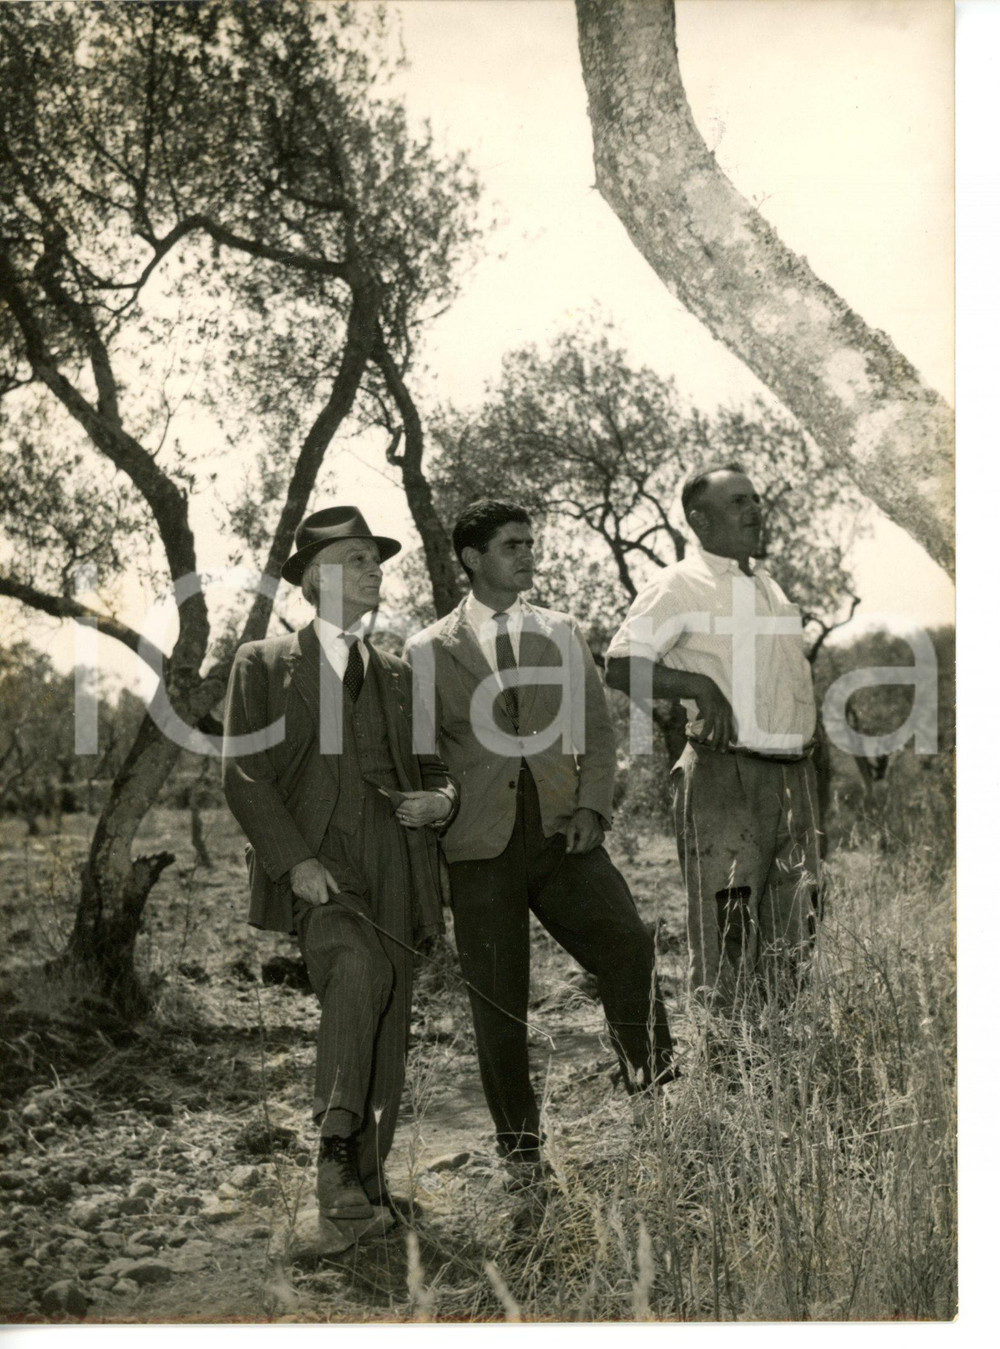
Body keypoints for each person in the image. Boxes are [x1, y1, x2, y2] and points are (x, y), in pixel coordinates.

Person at [404, 499, 675, 1183]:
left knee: (629, 945)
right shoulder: (427, 648)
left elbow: (601, 734)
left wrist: (593, 807)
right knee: (497, 997)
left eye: (530, 543)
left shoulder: (561, 631)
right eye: (511, 545)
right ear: (471, 557)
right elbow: (424, 752)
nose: (528, 555)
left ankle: (655, 1099)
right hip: (478, 847)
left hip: (564, 836)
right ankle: (521, 1150)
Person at [223, 506, 457, 1241]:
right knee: (357, 973)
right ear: (318, 577)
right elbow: (244, 773)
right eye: (357, 559)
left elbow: (434, 766)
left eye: (375, 560)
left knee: (390, 1012)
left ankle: (368, 1180)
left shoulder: (396, 672)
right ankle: (332, 1149)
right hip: (319, 864)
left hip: (400, 859)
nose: (374, 571)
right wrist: (294, 860)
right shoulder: (260, 664)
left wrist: (441, 800)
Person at [604, 465, 822, 1011]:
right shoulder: (679, 584)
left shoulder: (768, 586)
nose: (754, 511)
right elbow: (620, 665)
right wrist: (699, 686)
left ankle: (782, 1076)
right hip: (727, 778)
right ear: (698, 518)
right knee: (730, 932)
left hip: (794, 779)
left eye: (755, 499)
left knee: (797, 933)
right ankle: (728, 1074)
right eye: (737, 502)